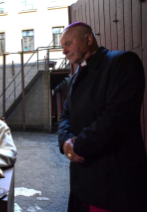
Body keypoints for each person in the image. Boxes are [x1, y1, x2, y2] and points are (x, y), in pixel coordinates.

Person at [58, 22, 147, 211]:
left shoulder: (121, 62)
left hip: (114, 179)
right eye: (62, 46)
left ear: (88, 39)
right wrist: (65, 141)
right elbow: (66, 114)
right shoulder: (74, 78)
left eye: (68, 44)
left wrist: (77, 146)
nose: (63, 51)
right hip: (82, 180)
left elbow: (117, 117)